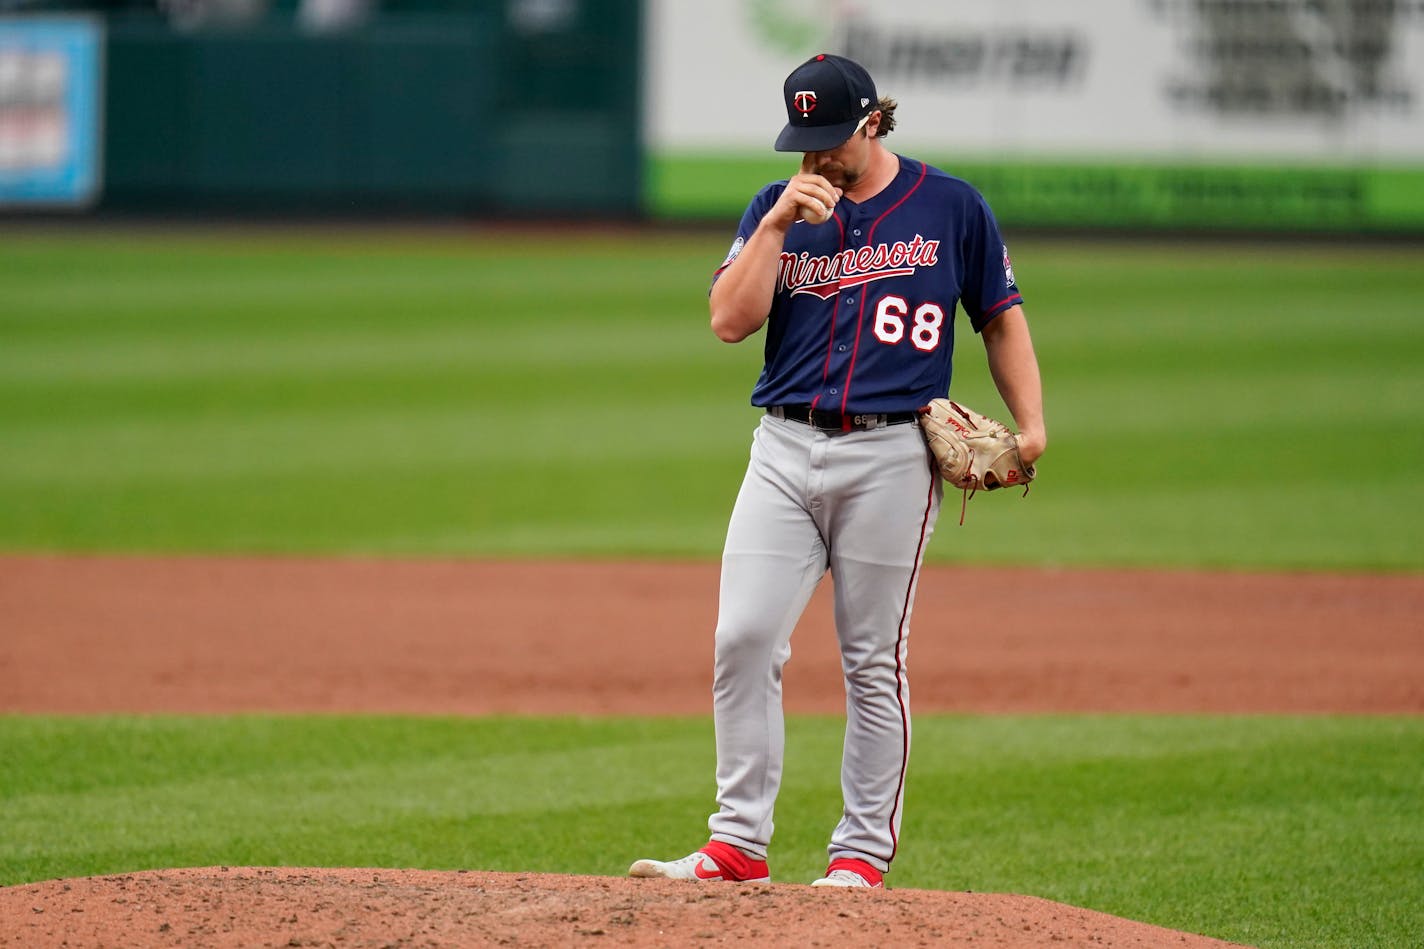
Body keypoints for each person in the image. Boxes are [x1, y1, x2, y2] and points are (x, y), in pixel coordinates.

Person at [628, 53, 1045, 889]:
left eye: (831, 138)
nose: (815, 156)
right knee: (742, 638)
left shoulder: (952, 206)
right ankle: (737, 843)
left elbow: (999, 320)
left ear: (873, 122)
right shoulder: (774, 209)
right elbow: (727, 321)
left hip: (894, 455)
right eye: (803, 141)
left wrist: (1031, 426)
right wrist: (778, 226)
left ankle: (859, 855)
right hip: (781, 450)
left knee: (871, 658)